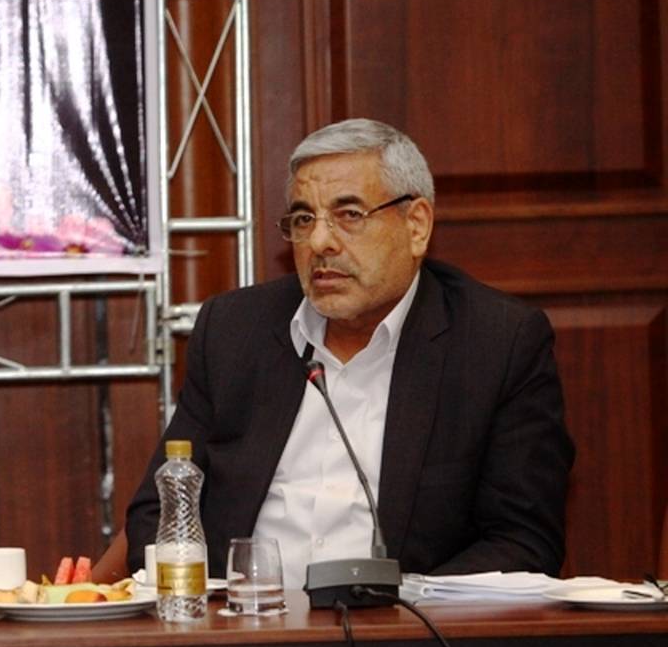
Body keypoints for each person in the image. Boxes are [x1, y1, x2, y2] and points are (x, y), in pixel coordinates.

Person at [124, 118, 575, 592]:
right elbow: (160, 510)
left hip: (400, 630)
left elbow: (524, 541)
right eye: (304, 220)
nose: (320, 242)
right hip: (241, 626)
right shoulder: (236, 330)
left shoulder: (496, 343)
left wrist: (392, 613)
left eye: (350, 215)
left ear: (416, 226)